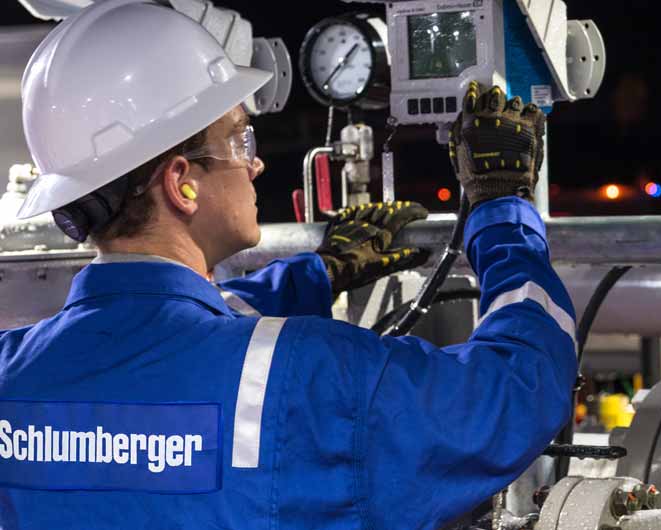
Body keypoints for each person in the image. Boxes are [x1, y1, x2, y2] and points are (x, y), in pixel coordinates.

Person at [0, 1, 576, 529]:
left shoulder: (12, 372)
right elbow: (513, 391)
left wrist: (317, 274)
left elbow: (154, 339)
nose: (254, 166)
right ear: (181, 183)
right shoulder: (312, 376)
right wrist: (504, 209)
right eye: (238, 140)